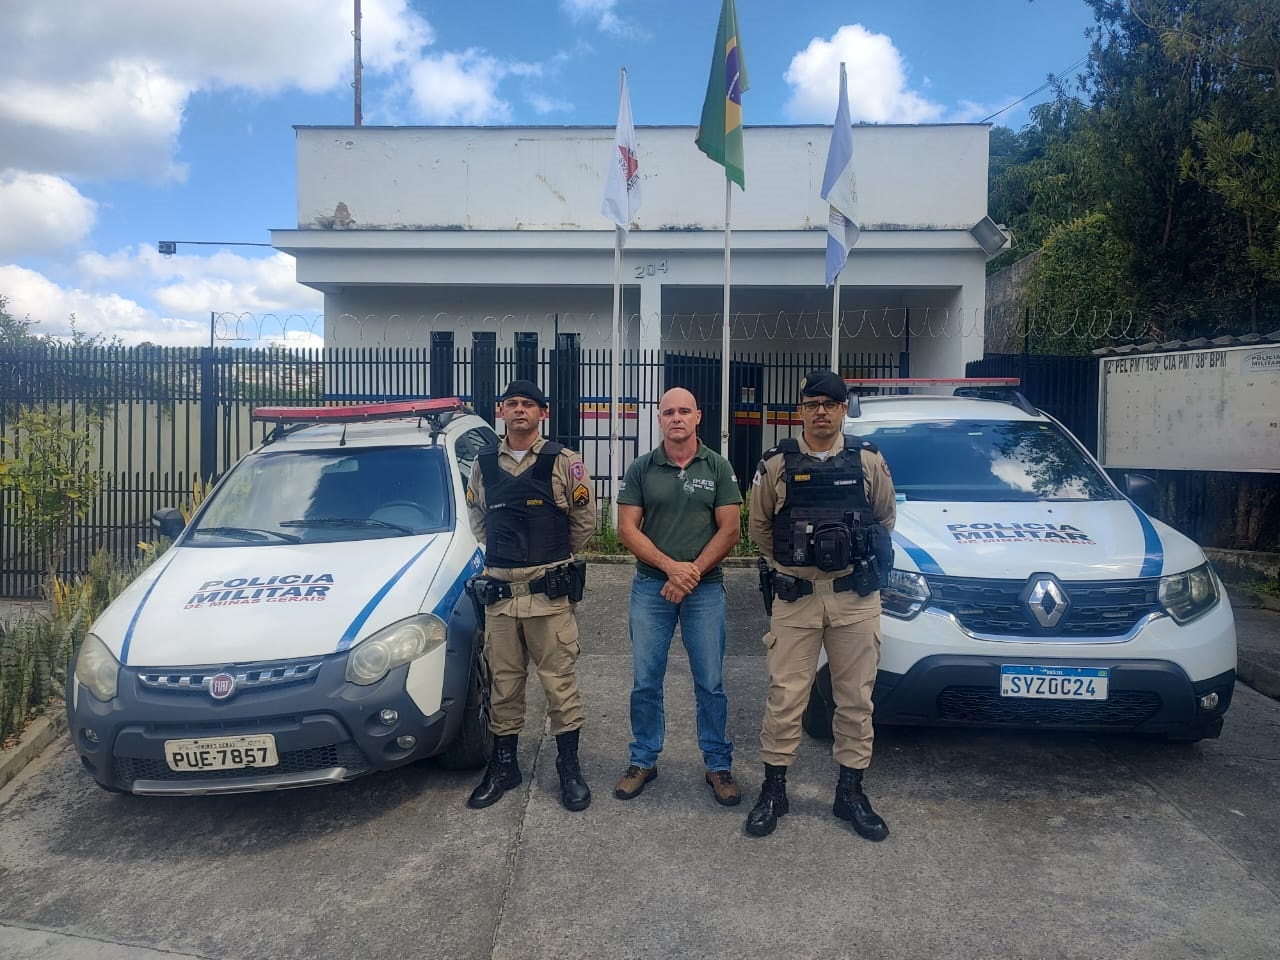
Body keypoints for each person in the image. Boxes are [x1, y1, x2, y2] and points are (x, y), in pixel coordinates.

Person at [745, 369, 897, 840]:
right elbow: (760, 528)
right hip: (797, 599)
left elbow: (884, 519)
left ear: (842, 409)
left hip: (855, 599)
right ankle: (775, 790)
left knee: (855, 699)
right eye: (812, 405)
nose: (821, 413)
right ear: (801, 411)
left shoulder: (868, 460)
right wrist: (795, 566)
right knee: (785, 698)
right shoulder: (776, 464)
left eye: (830, 405)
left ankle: (850, 792)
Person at [464, 380, 596, 812]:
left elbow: (584, 521)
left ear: (543, 413)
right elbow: (478, 520)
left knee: (560, 686)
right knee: (503, 686)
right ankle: (505, 767)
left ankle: (568, 767)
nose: (520, 410)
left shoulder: (565, 462)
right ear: (501, 411)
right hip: (501, 600)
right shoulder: (484, 463)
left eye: (528, 404)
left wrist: (549, 557)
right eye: (512, 404)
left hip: (548, 599)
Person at [613, 387, 744, 806]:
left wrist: (691, 573)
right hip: (652, 588)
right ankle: (643, 759)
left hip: (705, 590)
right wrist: (671, 568)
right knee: (645, 681)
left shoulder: (718, 466)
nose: (676, 418)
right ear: (659, 419)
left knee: (711, 682)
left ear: (698, 416)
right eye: (668, 412)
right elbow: (626, 529)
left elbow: (731, 530)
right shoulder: (642, 468)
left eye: (684, 411)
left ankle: (718, 764)